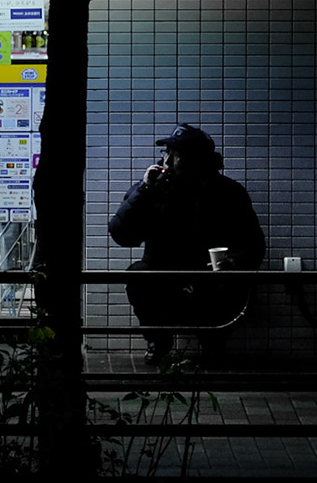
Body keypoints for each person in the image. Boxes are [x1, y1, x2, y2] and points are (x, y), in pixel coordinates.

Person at [109, 124, 265, 365]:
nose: (167, 161)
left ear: (196, 161)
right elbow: (122, 235)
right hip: (163, 273)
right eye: (166, 154)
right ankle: (159, 341)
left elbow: (253, 243)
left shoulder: (228, 193)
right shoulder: (155, 189)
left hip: (209, 276)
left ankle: (214, 341)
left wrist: (233, 262)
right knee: (138, 277)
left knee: (237, 284)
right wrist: (143, 190)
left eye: (176, 155)